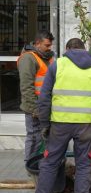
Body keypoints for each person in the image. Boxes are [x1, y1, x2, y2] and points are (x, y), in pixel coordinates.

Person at [32, 38, 91, 193]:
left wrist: (45, 124)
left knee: (51, 161)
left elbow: (44, 98)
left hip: (60, 123)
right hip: (84, 124)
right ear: (84, 50)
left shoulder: (57, 65)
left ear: (67, 49)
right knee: (84, 163)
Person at [17, 30, 55, 162]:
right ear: (37, 43)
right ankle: (31, 167)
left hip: (46, 106)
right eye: (47, 45)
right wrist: (34, 109)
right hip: (35, 108)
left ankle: (41, 166)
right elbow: (26, 87)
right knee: (34, 137)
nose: (49, 48)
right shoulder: (28, 58)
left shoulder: (47, 57)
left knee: (43, 138)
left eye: (50, 45)